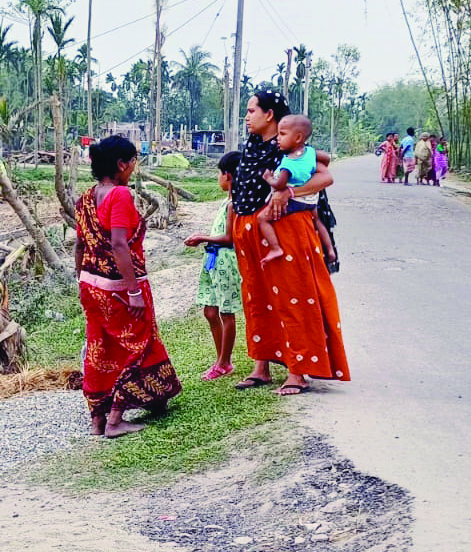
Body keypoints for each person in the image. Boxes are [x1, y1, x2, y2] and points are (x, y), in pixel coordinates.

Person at [229, 91, 351, 396]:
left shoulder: (294, 149)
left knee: (293, 297)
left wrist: (290, 193)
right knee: (257, 298)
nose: (247, 116)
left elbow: (326, 175)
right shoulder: (254, 146)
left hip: (283, 228)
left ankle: (299, 371)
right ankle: (262, 367)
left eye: (251, 110)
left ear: (269, 115)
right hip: (250, 226)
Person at [75, 136, 182, 437]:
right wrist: (134, 292)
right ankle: (115, 420)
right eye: (133, 162)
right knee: (137, 344)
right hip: (120, 286)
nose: (134, 168)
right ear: (121, 164)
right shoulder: (119, 196)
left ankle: (98, 419)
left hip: (90, 284)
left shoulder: (85, 197)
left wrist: (80, 277)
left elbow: (80, 243)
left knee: (100, 347)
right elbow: (120, 244)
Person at [184, 152, 242, 381]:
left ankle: (224, 362)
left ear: (227, 175)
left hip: (226, 261)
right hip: (213, 261)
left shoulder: (235, 204)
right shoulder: (227, 202)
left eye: (219, 174)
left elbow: (230, 238)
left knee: (226, 312)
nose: (218, 178)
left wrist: (203, 237)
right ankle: (220, 358)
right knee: (210, 310)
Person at [257, 115, 320, 265]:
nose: (277, 138)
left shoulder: (288, 164)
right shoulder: (310, 152)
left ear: (298, 137)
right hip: (310, 201)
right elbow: (325, 159)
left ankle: (275, 248)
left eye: (282, 134)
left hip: (293, 202)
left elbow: (279, 185)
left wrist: (268, 178)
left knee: (262, 219)